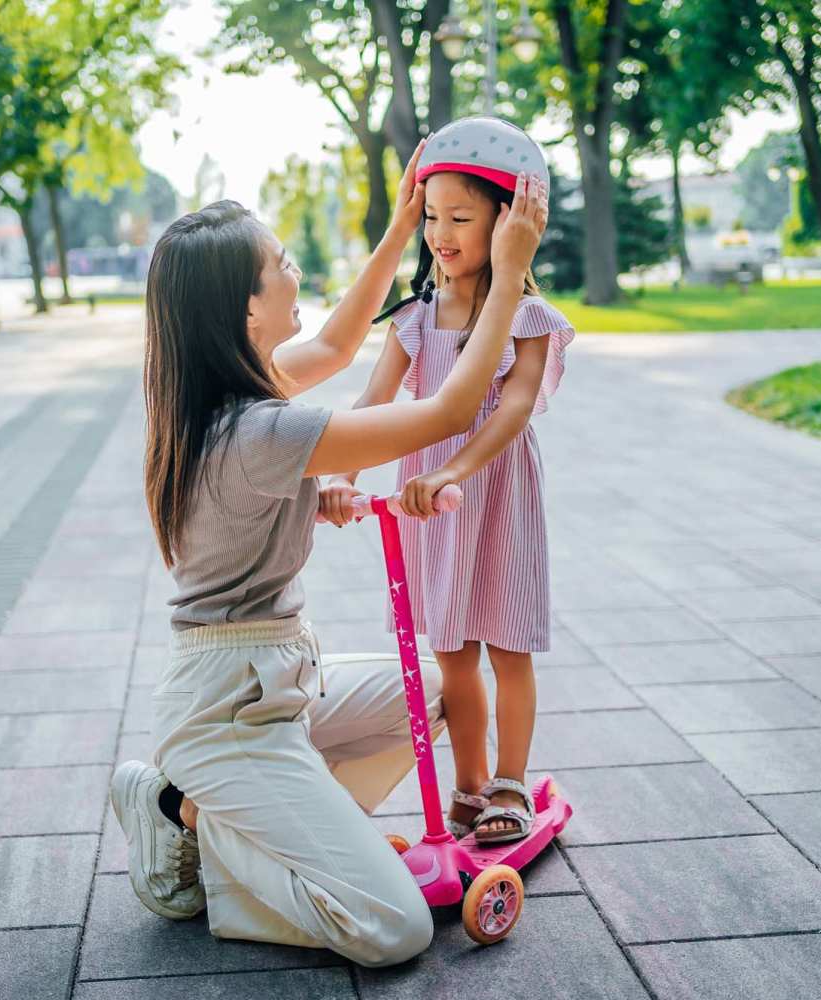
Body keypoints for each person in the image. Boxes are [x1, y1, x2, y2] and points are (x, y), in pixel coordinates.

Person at [112, 127, 549, 967]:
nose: (296, 272)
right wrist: (508, 274)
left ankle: (244, 820)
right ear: (246, 306)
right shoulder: (260, 423)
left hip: (276, 675)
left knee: (435, 691)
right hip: (228, 706)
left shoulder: (225, 388)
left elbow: (344, 346)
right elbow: (449, 413)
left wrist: (398, 230)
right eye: (281, 264)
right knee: (396, 930)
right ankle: (186, 812)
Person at [319, 117, 573, 846]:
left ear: (510, 221)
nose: (441, 233)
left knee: (508, 648)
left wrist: (452, 467)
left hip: (495, 498)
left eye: (461, 217)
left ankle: (511, 783)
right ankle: (467, 789)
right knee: (453, 655)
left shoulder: (527, 315)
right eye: (432, 216)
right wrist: (340, 475)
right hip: (431, 509)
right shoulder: (415, 318)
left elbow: (515, 407)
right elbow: (371, 405)